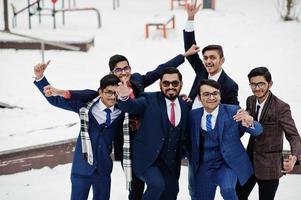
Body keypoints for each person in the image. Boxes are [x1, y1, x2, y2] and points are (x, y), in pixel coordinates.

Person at [47, 46, 199, 200]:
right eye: (118, 70)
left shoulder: (137, 81)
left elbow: (160, 71)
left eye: (126, 68)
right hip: (126, 143)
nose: (123, 72)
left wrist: (183, 55)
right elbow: (91, 94)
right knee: (136, 186)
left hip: (146, 141)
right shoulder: (111, 90)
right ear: (112, 73)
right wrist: (65, 92)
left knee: (160, 184)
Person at [33, 61, 124, 200]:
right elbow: (55, 100)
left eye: (115, 93)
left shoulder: (122, 112)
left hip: (103, 170)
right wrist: (40, 78)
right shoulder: (85, 107)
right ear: (100, 92)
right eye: (108, 92)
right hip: (82, 169)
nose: (112, 96)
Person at [115, 67, 190, 200]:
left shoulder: (185, 106)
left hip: (171, 163)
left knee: (171, 193)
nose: (170, 87)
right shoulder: (148, 99)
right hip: (146, 160)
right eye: (166, 83)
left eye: (175, 83)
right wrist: (124, 97)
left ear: (181, 84)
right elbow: (131, 106)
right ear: (160, 84)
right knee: (156, 185)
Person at [188, 79, 263, 200]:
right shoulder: (192, 115)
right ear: (199, 97)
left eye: (215, 93)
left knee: (228, 189)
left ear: (220, 95)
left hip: (226, 164)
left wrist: (249, 122)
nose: (212, 97)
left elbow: (258, 131)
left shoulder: (233, 111)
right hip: (203, 167)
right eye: (206, 94)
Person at [236, 67, 301, 200]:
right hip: (249, 161)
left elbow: (293, 135)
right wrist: (245, 114)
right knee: (237, 195)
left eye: (261, 84)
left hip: (269, 166)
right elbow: (250, 115)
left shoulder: (281, 107)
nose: (257, 88)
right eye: (253, 84)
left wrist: (294, 156)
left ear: (270, 84)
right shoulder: (251, 100)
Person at [183, 1, 239, 109]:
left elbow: (234, 109)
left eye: (213, 58)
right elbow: (190, 49)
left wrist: (243, 114)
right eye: (205, 58)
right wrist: (190, 18)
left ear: (222, 60)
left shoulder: (230, 85)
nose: (208, 61)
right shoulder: (201, 71)